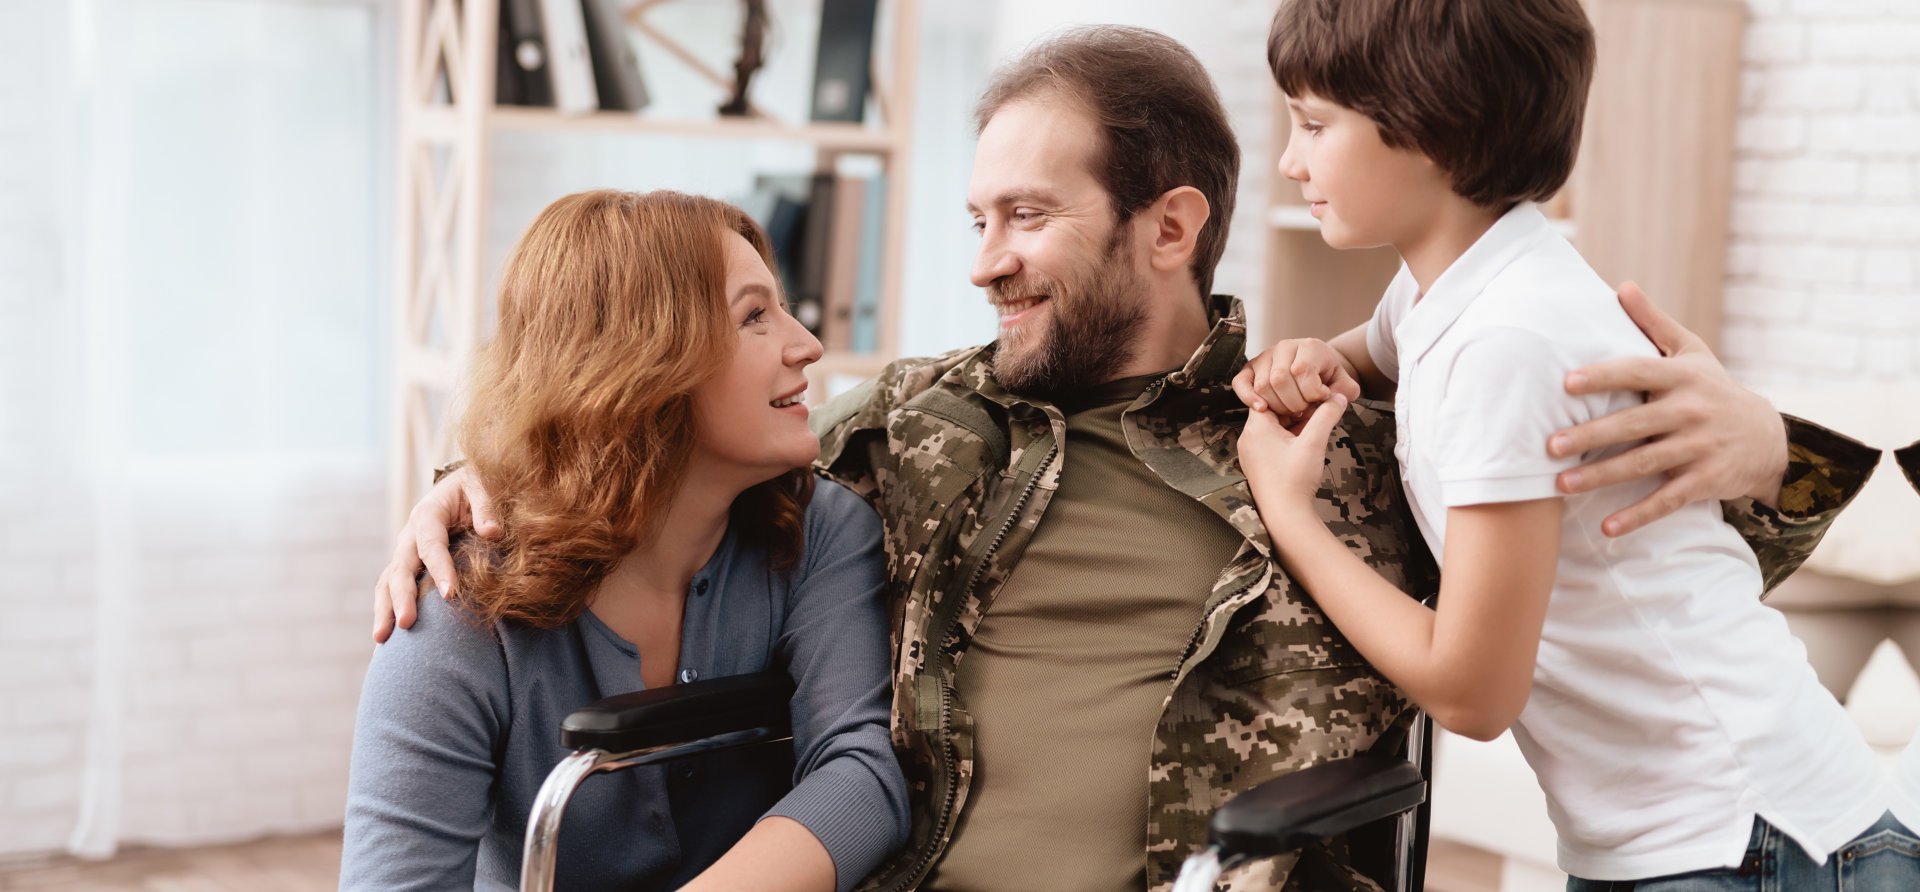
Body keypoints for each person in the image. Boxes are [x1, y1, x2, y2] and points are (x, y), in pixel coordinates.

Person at [373, 29, 1875, 892]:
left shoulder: (1336, 442)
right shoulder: (900, 425)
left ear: (1168, 226)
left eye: (1024, 219)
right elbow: (653, 430)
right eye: (974, 223)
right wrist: (471, 487)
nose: (983, 265)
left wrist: (1761, 446)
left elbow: (1639, 568)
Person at [1236, 1, 1909, 889]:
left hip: (1747, 839)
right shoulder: (1457, 286)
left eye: (1315, 124)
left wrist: (1292, 517)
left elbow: (1473, 691)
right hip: (1702, 834)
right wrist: (1317, 358)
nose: (1291, 160)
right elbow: (1381, 346)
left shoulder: (1509, 339)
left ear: (1437, 127)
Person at [341, 190, 909, 892]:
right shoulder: (459, 613)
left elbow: (860, 778)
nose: (807, 344)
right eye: (756, 316)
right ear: (639, 363)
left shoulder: (822, 530)